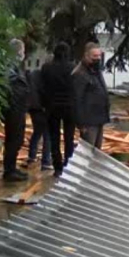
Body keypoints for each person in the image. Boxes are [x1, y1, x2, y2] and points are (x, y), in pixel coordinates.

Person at [41, 42, 76, 177]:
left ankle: (57, 167)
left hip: (52, 107)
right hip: (69, 107)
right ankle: (68, 163)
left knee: (54, 138)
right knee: (69, 137)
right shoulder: (72, 68)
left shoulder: (46, 68)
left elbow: (42, 87)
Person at [1, 39, 30, 182]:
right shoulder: (8, 68)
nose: (23, 54)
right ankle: (9, 170)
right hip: (14, 108)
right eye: (22, 51)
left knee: (16, 139)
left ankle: (11, 167)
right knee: (14, 139)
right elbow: (9, 88)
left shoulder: (15, 67)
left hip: (17, 107)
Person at [72, 42, 110, 149]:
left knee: (97, 151)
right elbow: (77, 100)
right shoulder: (80, 74)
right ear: (86, 56)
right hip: (88, 121)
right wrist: (81, 124)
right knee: (88, 151)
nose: (97, 59)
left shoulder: (96, 72)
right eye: (94, 56)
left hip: (99, 118)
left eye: (99, 56)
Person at [25, 67, 53, 171]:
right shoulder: (45, 77)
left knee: (37, 132)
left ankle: (31, 157)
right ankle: (46, 161)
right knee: (47, 135)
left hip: (33, 108)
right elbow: (44, 92)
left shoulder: (33, 75)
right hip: (42, 109)